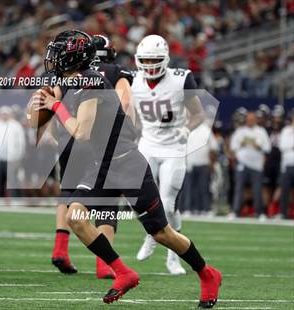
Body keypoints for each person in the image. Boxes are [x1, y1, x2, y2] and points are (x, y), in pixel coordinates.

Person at [34, 29, 221, 307]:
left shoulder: (92, 83)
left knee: (161, 233)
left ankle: (207, 274)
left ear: (72, 58)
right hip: (100, 165)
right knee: (76, 218)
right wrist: (44, 107)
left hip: (126, 163)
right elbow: (43, 121)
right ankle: (124, 273)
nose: (52, 58)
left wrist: (57, 105)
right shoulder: (74, 81)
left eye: (58, 53)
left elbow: (81, 132)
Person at [50, 34, 135, 279]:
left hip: (70, 136)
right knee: (107, 199)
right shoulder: (113, 71)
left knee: (68, 192)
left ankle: (61, 249)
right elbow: (125, 101)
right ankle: (103, 263)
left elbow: (48, 102)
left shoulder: (65, 72)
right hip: (99, 141)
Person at [132, 35, 204, 275]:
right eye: (146, 59)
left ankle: (172, 257)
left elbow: (198, 114)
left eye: (155, 59)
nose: (150, 64)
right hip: (147, 146)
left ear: (165, 59)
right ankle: (152, 234)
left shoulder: (180, 79)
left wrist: (187, 128)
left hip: (173, 148)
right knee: (139, 200)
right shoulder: (133, 81)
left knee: (168, 205)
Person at [230, 112, 271, 219]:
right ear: (246, 120)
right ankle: (235, 211)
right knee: (239, 188)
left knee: (257, 189)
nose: (250, 121)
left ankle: (259, 212)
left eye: (253, 119)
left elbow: (268, 148)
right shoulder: (240, 131)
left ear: (256, 120)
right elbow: (233, 147)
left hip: (257, 165)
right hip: (242, 164)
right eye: (249, 119)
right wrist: (241, 144)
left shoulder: (261, 131)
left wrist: (258, 146)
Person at [278, 110, 294, 219]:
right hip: (287, 165)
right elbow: (282, 146)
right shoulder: (285, 130)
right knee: (284, 190)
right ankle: (283, 213)